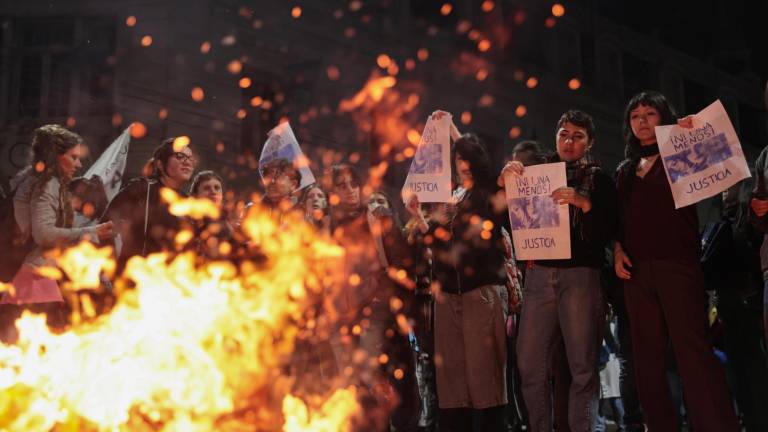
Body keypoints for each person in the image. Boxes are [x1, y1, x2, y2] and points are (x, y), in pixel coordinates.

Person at [614, 90, 739, 432]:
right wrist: (618, 249)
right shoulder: (624, 171)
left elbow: (722, 160)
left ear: (664, 117)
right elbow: (619, 222)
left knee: (693, 352)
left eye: (650, 113)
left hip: (678, 265)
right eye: (635, 115)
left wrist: (694, 132)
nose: (641, 120)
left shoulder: (680, 157)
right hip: (637, 273)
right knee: (647, 361)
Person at [501, 110, 617, 432]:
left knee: (582, 366)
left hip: (580, 276)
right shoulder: (534, 175)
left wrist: (585, 203)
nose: (569, 142)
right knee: (529, 363)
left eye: (578, 136)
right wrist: (505, 185)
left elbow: (609, 231)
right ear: (555, 137)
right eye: (564, 134)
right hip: (539, 276)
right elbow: (505, 224)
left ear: (589, 142)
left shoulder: (600, 180)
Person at [407, 111, 509, 432]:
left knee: (484, 378)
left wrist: (451, 129)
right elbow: (432, 245)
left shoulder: (487, 191)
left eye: (467, 158)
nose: (462, 164)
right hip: (447, 296)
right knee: (452, 382)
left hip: (480, 293)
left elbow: (477, 157)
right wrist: (419, 216)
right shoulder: (451, 196)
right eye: (457, 159)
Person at [0, 125, 114, 340]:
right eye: (73, 157)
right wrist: (91, 231)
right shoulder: (47, 183)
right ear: (55, 156)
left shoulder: (35, 180)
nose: (79, 164)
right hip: (34, 279)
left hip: (29, 276)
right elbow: (43, 234)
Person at [327, 164, 418, 431]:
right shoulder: (329, 223)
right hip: (344, 311)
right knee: (352, 379)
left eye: (353, 183)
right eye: (342, 185)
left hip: (376, 308)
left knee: (369, 370)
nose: (350, 190)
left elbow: (402, 260)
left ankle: (391, 420)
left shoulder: (377, 217)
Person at [101, 137, 195, 273]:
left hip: (173, 282)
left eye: (190, 158)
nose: (187, 162)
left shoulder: (190, 203)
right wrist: (106, 268)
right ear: (160, 164)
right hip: (135, 278)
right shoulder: (141, 189)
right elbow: (105, 227)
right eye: (180, 156)